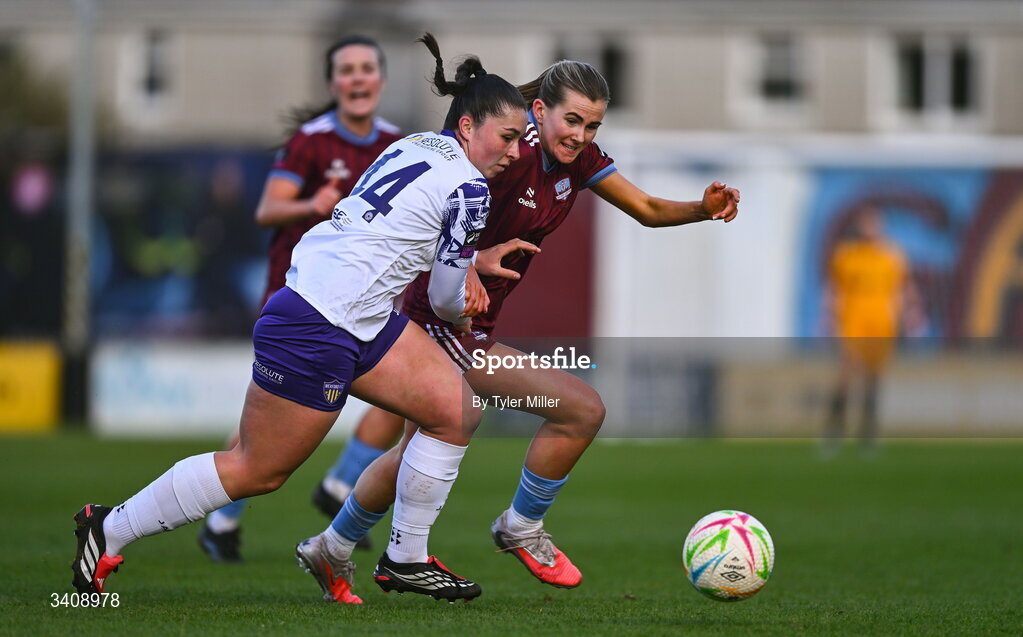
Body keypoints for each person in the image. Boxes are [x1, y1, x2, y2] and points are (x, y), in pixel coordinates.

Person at [69, 41, 529, 605]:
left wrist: (464, 269)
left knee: (453, 410)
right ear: (466, 126)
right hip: (319, 321)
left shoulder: (417, 144)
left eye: (521, 140)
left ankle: (405, 558)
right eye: (508, 137)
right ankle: (107, 529)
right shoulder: (472, 187)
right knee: (255, 471)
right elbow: (442, 297)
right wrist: (467, 303)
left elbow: (397, 233)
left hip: (349, 311)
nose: (514, 151)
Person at [297, 39, 740, 604]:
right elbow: (433, 215)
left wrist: (701, 209)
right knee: (579, 409)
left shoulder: (578, 161)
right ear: (539, 112)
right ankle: (516, 527)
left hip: (466, 325)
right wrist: (470, 263)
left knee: (411, 453)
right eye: (571, 119)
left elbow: (649, 210)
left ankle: (332, 547)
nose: (580, 135)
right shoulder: (510, 156)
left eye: (593, 126)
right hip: (441, 321)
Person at [196, 35, 403, 563]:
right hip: (301, 297)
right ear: (333, 84)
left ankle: (339, 486)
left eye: (366, 69)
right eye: (346, 70)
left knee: (405, 401)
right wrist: (315, 201)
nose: (357, 78)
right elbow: (268, 209)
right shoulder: (311, 142)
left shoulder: (398, 142)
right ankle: (221, 519)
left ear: (380, 80)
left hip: (364, 301)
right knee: (265, 421)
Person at [823, 207, 922, 455]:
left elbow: (905, 288)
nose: (870, 229)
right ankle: (834, 432)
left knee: (873, 381)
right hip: (853, 325)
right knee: (845, 379)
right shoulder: (846, 256)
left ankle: (868, 435)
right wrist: (829, 318)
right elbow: (834, 291)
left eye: (874, 223)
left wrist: (912, 315)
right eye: (866, 224)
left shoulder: (891, 256)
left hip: (881, 327)